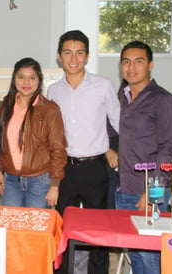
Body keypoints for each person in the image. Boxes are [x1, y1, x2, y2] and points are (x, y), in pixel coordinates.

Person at [47, 30, 120, 274]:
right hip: (64, 169)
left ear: (87, 56)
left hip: (95, 168)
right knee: (63, 228)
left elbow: (120, 124)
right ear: (59, 56)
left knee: (97, 231)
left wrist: (113, 149)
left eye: (80, 53)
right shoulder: (53, 91)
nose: (74, 58)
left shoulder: (104, 86)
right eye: (68, 52)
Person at [116, 41, 172, 274]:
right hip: (124, 188)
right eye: (126, 61)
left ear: (150, 65)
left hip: (148, 191)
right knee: (135, 252)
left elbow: (167, 150)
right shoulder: (122, 96)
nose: (131, 67)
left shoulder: (164, 100)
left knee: (150, 256)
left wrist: (152, 192)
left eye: (138, 61)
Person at [0, 57, 67, 208]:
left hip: (40, 182)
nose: (26, 83)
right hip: (10, 181)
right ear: (14, 79)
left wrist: (54, 185)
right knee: (11, 226)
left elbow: (58, 149)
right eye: (21, 77)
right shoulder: (4, 107)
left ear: (39, 80)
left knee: (35, 228)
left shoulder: (50, 110)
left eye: (32, 77)